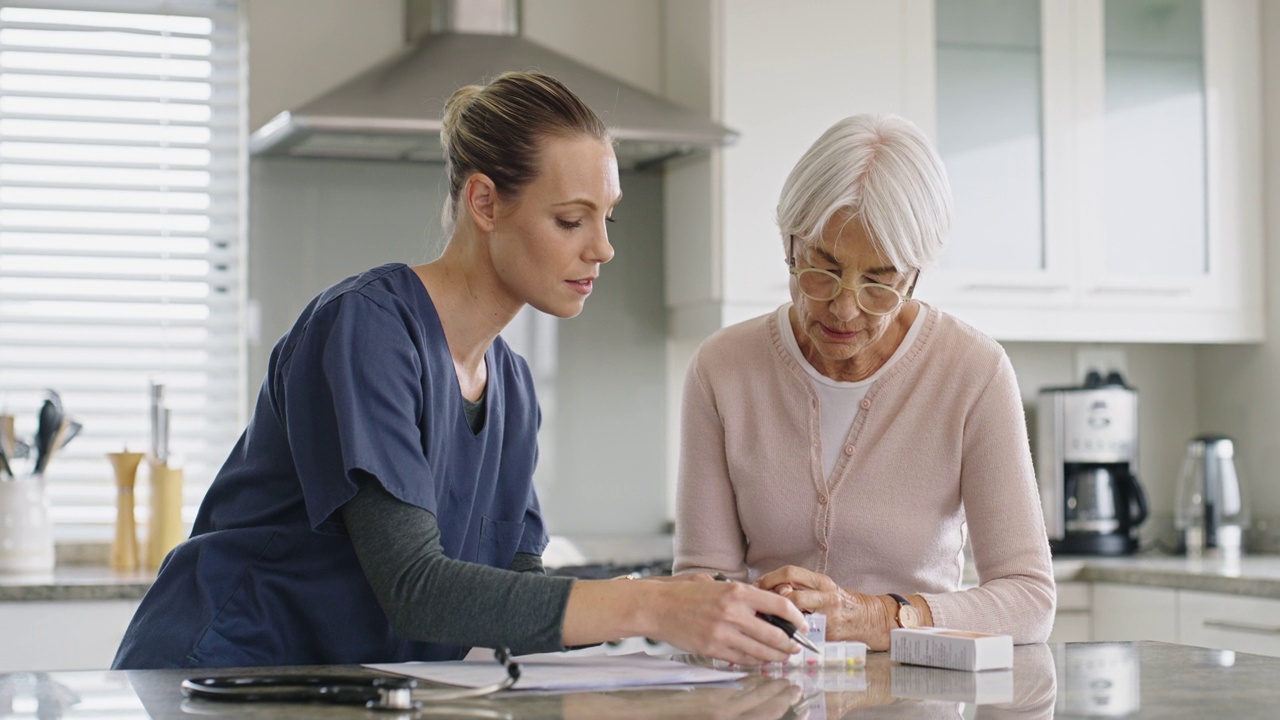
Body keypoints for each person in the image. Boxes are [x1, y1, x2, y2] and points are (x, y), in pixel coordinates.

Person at [113, 71, 806, 669]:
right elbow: (417, 587)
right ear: (484, 204)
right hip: (219, 671)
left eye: (608, 220)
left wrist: (693, 599)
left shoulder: (511, 386)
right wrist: (650, 605)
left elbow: (515, 591)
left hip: (341, 686)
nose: (602, 249)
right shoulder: (368, 329)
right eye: (571, 220)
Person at [673, 113, 1055, 651]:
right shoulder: (722, 368)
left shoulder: (974, 372)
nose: (845, 308)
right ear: (789, 243)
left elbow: (1030, 601)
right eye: (821, 271)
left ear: (915, 275)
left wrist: (882, 618)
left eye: (879, 282)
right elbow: (701, 580)